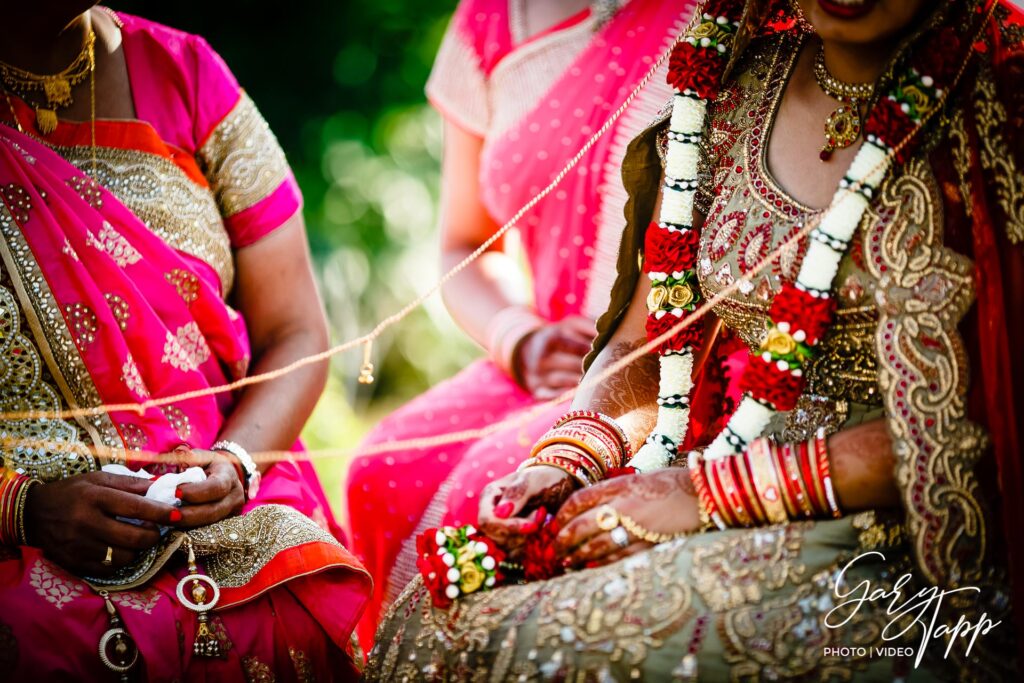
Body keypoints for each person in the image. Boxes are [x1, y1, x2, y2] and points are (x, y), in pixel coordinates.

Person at [367, 0, 1024, 679]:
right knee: (442, 614)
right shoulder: (730, 94)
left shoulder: (1000, 107)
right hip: (723, 475)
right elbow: (647, 346)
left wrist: (708, 494)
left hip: (905, 537)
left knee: (555, 648)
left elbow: (983, 425)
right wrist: (567, 457)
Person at [0, 4, 369, 680]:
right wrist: (22, 506)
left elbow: (297, 329)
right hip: (20, 535)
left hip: (220, 495)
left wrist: (236, 462)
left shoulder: (188, 75)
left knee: (293, 587)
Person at [345, 0, 698, 644]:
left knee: (492, 493)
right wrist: (519, 338)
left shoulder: (721, 17)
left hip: (665, 374)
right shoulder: (487, 22)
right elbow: (463, 245)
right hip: (544, 358)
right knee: (377, 471)